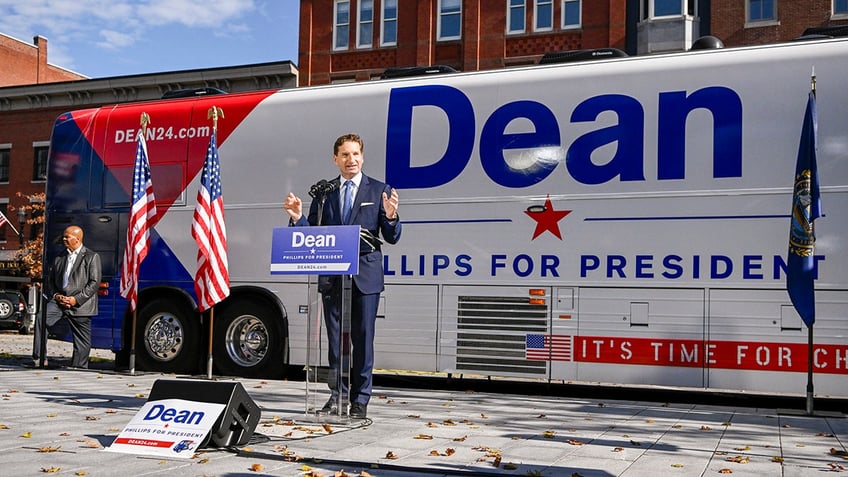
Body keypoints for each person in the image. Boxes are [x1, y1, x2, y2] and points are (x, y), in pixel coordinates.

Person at [283, 133, 401, 419]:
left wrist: (391, 216)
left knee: (362, 339)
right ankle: (338, 396)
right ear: (336, 159)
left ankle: (360, 400)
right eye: (345, 155)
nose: (352, 160)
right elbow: (315, 234)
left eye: (356, 154)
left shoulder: (379, 190)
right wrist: (299, 218)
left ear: (363, 157)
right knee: (336, 341)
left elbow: (392, 236)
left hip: (365, 275)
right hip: (333, 277)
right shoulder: (325, 193)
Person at [32, 225, 102, 369]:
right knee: (41, 318)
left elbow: (94, 283)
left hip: (80, 303)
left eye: (67, 236)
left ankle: (79, 366)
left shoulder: (91, 256)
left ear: (77, 238)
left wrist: (76, 299)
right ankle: (39, 358)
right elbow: (50, 281)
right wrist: (56, 295)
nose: (64, 239)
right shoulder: (60, 257)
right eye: (64, 236)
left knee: (82, 339)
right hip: (59, 301)